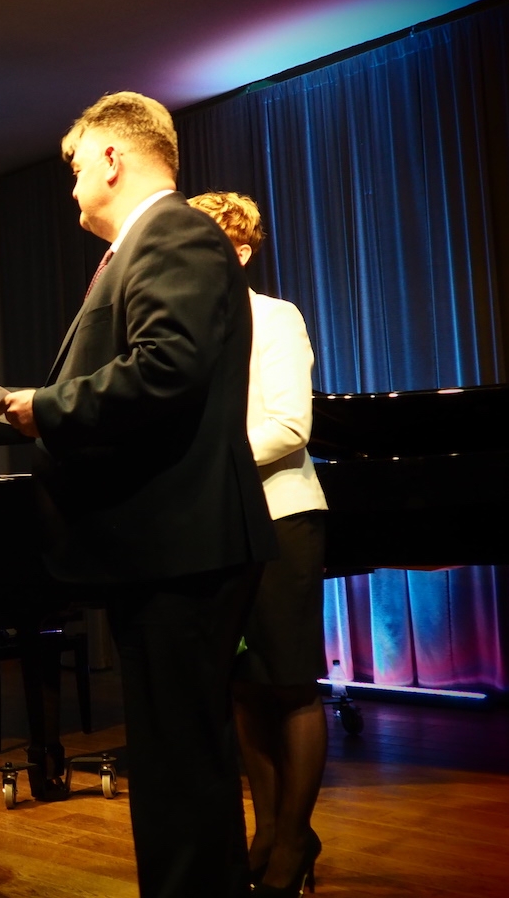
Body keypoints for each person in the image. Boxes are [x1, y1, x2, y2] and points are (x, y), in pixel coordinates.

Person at [0, 92, 277, 898]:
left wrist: (45, 407)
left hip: (180, 546)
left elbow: (165, 368)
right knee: (177, 762)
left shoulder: (173, 231)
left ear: (113, 158)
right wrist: (2, 414)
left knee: (181, 768)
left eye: (77, 166)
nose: (73, 186)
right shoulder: (150, 243)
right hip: (168, 546)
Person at [189, 192, 329, 897]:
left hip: (279, 518)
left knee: (290, 684)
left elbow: (289, 427)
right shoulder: (188, 330)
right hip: (220, 524)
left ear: (240, 252)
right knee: (244, 688)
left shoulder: (275, 317)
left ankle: (296, 837)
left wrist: (201, 467)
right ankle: (268, 831)